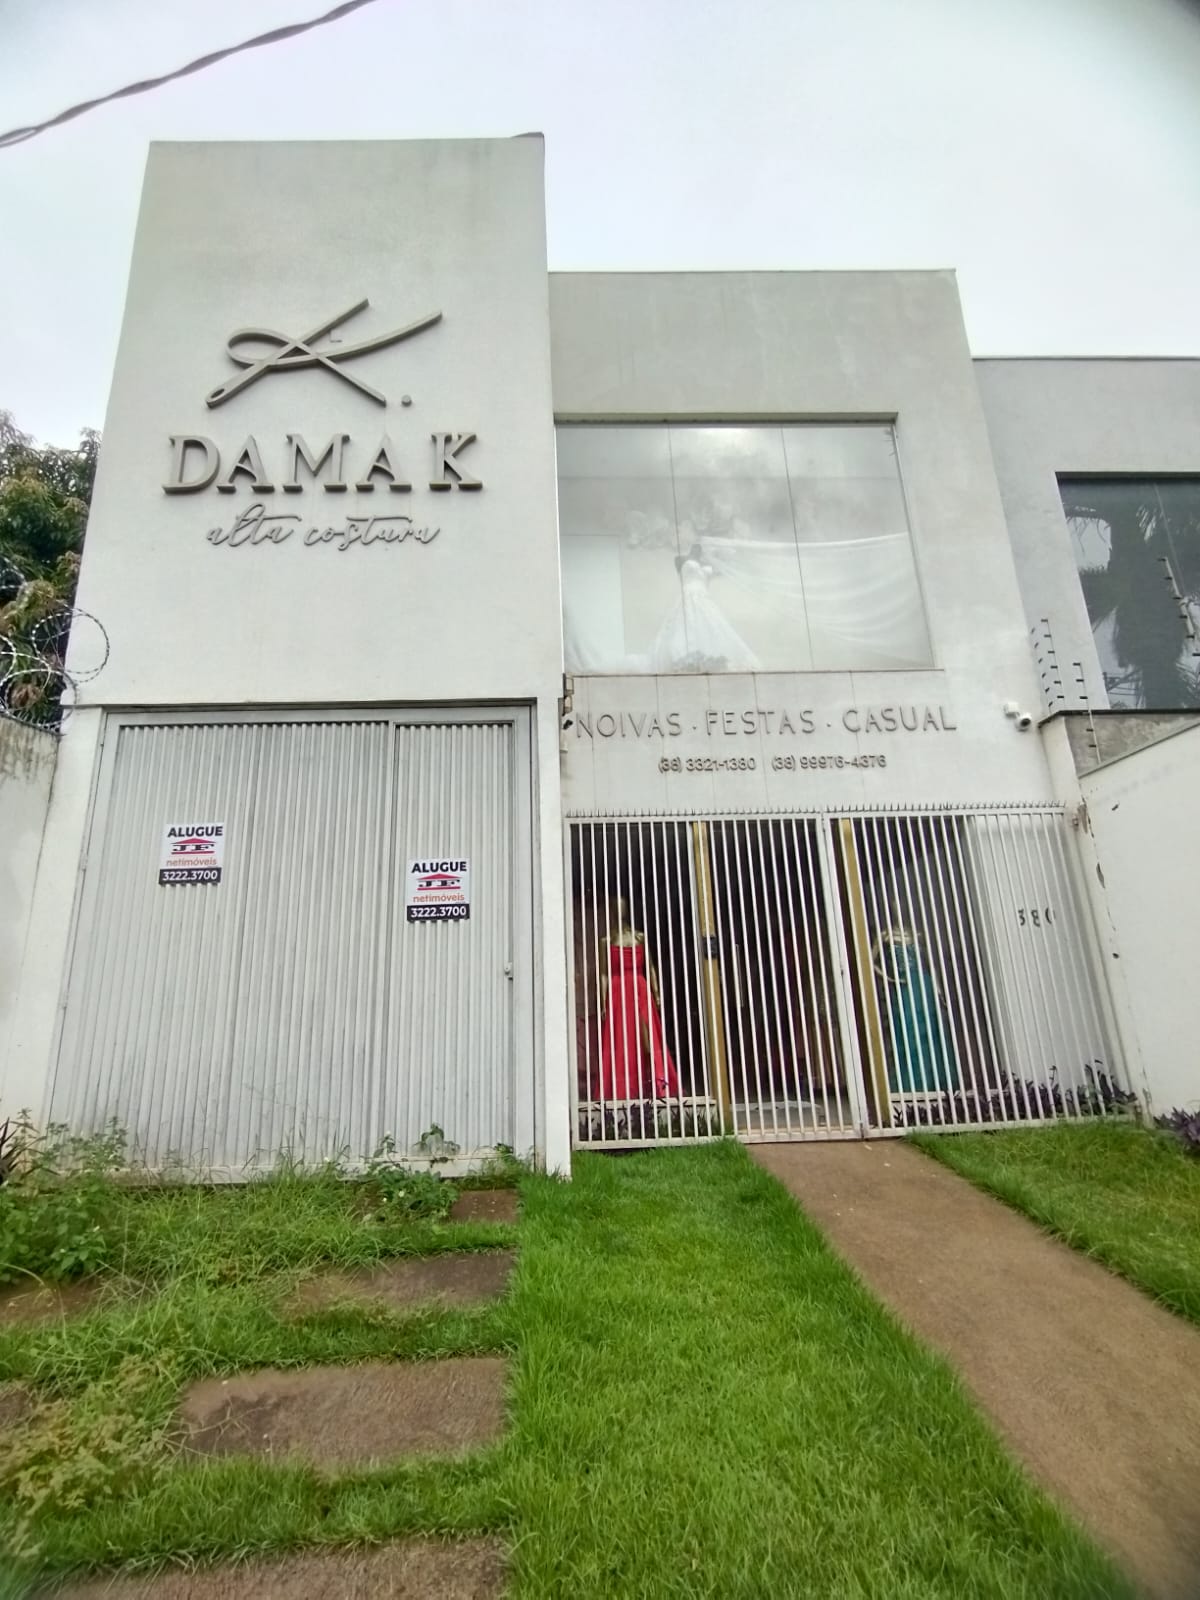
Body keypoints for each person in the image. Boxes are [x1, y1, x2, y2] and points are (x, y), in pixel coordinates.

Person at [598, 897, 681, 1101]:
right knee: (622, 1038)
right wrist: (603, 1001)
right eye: (616, 908)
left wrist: (657, 993)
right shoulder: (606, 941)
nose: (619, 911)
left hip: (639, 989)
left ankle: (656, 1082)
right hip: (618, 992)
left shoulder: (640, 937)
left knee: (647, 1036)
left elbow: (649, 966)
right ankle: (625, 1088)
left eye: (622, 907)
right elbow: (603, 974)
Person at [871, 924, 958, 1093]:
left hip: (923, 985)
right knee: (908, 1030)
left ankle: (935, 1079)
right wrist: (890, 979)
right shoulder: (885, 935)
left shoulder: (917, 934)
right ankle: (914, 1081)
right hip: (903, 985)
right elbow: (870, 961)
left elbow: (930, 966)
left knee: (930, 1031)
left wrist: (939, 992)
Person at [652, 544, 760, 673]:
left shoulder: (708, 564)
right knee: (686, 624)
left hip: (704, 597)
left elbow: (725, 571)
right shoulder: (680, 558)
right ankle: (683, 656)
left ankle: (704, 658)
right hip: (688, 595)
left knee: (712, 624)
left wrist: (728, 557)